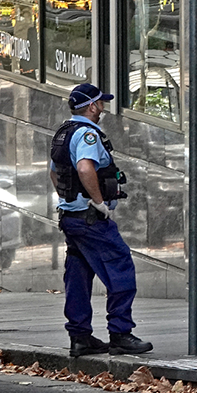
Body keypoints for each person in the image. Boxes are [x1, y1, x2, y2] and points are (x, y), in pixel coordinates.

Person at [49, 83, 153, 357]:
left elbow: (55, 173)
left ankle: (80, 337)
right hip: (90, 219)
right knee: (120, 265)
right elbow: (85, 168)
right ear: (93, 106)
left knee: (78, 275)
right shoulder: (87, 134)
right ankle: (120, 333)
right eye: (101, 103)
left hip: (71, 217)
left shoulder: (63, 133)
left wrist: (69, 199)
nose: (103, 108)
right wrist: (97, 201)